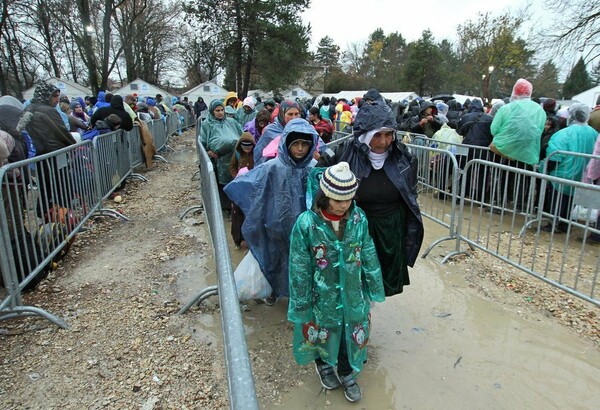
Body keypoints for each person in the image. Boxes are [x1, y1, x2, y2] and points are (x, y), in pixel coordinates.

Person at [288, 162, 385, 403]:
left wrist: (374, 282)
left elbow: (368, 249)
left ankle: (346, 371)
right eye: (338, 200)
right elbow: (299, 264)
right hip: (321, 291)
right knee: (323, 328)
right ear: (325, 196)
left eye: (348, 200)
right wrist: (301, 300)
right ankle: (323, 365)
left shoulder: (358, 218)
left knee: (348, 329)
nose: (344, 205)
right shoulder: (306, 224)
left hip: (351, 289)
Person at [320, 98, 424, 296]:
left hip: (390, 230)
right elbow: (321, 189)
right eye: (377, 135)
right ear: (365, 136)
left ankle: (368, 306)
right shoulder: (343, 155)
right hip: (357, 228)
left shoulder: (405, 158)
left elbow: (411, 195)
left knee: (381, 280)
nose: (383, 142)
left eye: (388, 135)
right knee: (353, 280)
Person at [224, 118, 318, 305]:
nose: (300, 149)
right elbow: (254, 187)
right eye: (295, 144)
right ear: (286, 144)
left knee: (300, 262)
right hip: (275, 224)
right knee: (276, 259)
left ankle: (297, 297)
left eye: (304, 144)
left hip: (303, 228)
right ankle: (274, 290)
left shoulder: (312, 168)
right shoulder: (273, 167)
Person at [542, 103, 597, 232]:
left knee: (558, 200)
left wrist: (545, 169)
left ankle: (556, 223)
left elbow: (554, 156)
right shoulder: (594, 133)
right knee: (571, 200)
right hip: (583, 174)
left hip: (563, 172)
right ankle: (565, 223)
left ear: (571, 115)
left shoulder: (564, 133)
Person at [489, 78, 546, 165]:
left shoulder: (506, 108)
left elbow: (494, 129)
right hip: (528, 155)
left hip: (505, 152)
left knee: (505, 177)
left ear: (514, 91)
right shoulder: (540, 110)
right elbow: (539, 131)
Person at [200, 99, 242, 210]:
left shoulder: (231, 122)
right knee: (221, 184)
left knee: (234, 180)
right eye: (217, 110)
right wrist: (207, 152)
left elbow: (241, 135)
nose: (220, 112)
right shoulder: (207, 124)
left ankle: (235, 207)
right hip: (218, 159)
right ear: (212, 111)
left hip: (233, 157)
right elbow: (203, 141)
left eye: (222, 110)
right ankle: (224, 207)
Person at [228, 132, 256, 249]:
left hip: (252, 188)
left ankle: (249, 239)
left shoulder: (256, 154)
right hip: (239, 187)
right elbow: (232, 166)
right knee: (237, 214)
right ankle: (237, 239)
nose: (247, 149)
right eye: (244, 147)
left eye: (249, 147)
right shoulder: (237, 154)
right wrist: (237, 176)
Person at [253, 99, 301, 164]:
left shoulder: (302, 129)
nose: (294, 118)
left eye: (296, 114)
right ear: (282, 114)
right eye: (290, 114)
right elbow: (258, 155)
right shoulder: (270, 131)